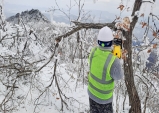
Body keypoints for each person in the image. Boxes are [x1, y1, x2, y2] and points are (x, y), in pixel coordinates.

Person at [88, 26, 124, 113]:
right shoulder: (113, 60)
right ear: (111, 42)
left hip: (92, 94)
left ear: (98, 41)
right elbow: (119, 76)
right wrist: (118, 59)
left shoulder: (93, 52)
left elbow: (101, 55)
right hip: (104, 99)